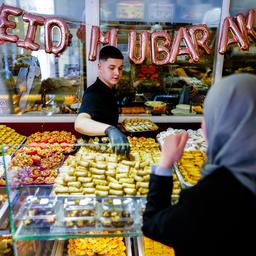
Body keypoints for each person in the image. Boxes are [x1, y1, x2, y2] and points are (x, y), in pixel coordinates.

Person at [142, 73, 256, 256]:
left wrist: (165, 164)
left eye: (211, 115)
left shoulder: (212, 198)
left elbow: (153, 225)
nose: (203, 125)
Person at [75, 45, 129, 155]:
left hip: (106, 151)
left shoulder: (108, 89)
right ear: (100, 67)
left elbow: (100, 117)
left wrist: (117, 127)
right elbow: (79, 123)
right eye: (112, 68)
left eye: (120, 68)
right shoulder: (94, 93)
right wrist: (110, 129)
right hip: (94, 154)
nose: (117, 73)